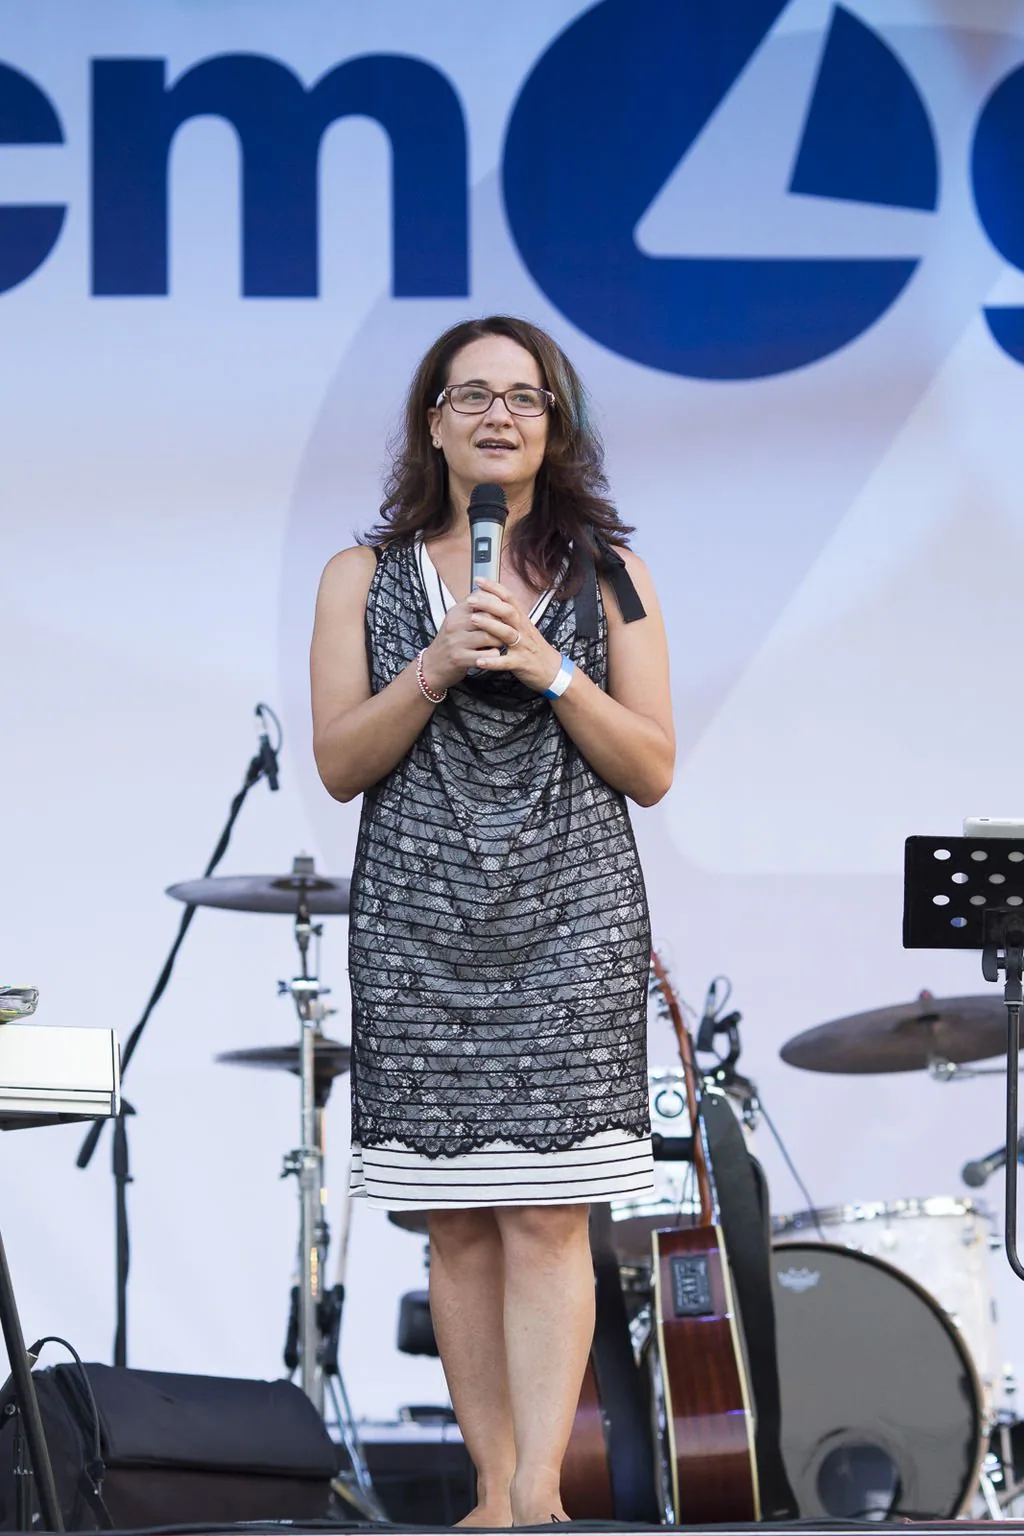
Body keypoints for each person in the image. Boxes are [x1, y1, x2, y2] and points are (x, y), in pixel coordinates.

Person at [310, 315, 674, 1528]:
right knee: (458, 1221)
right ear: (433, 423)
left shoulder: (610, 576)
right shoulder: (360, 578)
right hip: (420, 931)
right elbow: (339, 766)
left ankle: (538, 1492)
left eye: (523, 397)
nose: (499, 416)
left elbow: (652, 768)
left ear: (554, 425)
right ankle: (486, 1493)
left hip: (571, 919)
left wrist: (549, 668)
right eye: (471, 396)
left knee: (547, 1211)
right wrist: (432, 666)